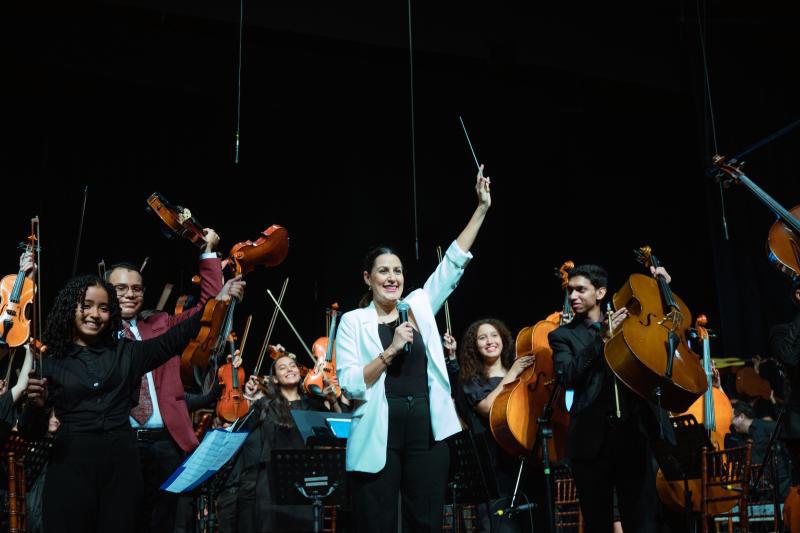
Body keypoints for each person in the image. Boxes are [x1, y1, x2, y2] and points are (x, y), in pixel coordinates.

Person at [24, 273, 244, 533]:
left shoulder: (127, 352)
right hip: (71, 466)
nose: (95, 314)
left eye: (104, 308)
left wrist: (219, 302)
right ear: (70, 307)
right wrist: (36, 406)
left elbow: (181, 334)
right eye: (86, 305)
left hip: (121, 468)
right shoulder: (52, 360)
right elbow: (31, 431)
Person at [336, 167, 491, 532]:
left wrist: (481, 208)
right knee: (378, 522)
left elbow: (453, 262)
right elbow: (352, 385)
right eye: (384, 271)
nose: (393, 278)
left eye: (398, 271)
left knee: (426, 521)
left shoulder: (419, 304)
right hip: (379, 429)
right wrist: (390, 351)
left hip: (426, 429)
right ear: (368, 278)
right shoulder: (352, 322)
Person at [106, 227, 224, 533]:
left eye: (136, 289)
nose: (129, 294)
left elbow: (207, 308)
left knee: (166, 523)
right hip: (120, 443)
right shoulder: (95, 335)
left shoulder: (160, 323)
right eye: (120, 288)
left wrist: (208, 251)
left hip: (165, 442)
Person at [550, 263, 674, 533]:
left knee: (641, 522)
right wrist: (601, 340)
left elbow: (664, 330)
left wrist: (663, 290)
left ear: (601, 292)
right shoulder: (562, 335)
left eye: (580, 290)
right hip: (590, 443)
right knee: (597, 524)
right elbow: (567, 376)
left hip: (633, 436)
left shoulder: (627, 324)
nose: (572, 296)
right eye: (570, 291)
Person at [218, 347, 344, 533]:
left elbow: (339, 431)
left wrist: (333, 400)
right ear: (275, 379)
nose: (290, 369)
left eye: (292, 366)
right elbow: (238, 431)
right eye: (283, 368)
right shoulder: (264, 405)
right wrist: (247, 399)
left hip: (305, 479)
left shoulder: (313, 404)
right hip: (270, 481)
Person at [458, 318, 534, 532]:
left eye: (494, 335)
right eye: (482, 338)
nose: (489, 341)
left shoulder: (521, 373)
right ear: (475, 346)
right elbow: (487, 407)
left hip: (521, 454)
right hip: (493, 462)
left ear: (502, 339)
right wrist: (512, 373)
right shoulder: (472, 380)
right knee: (500, 525)